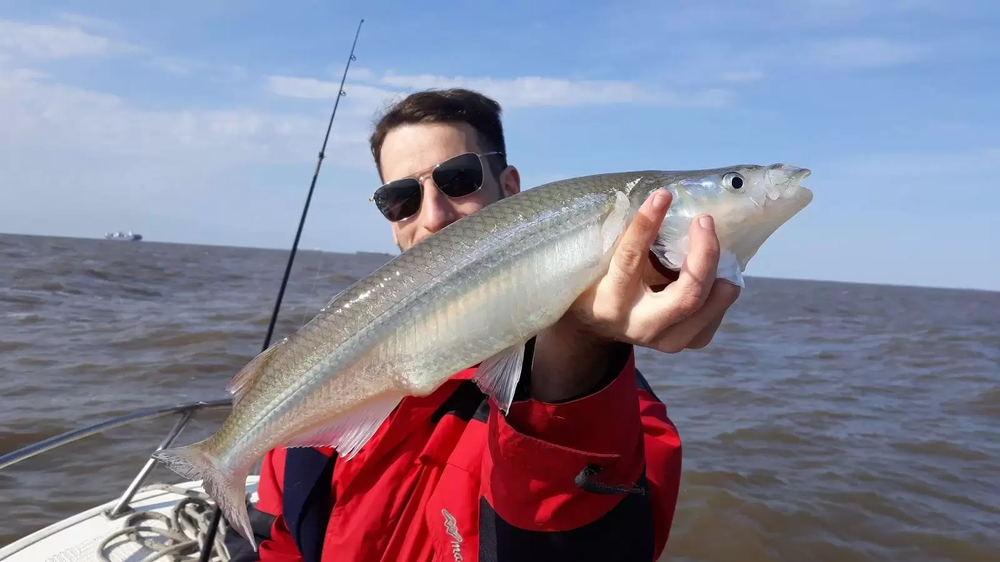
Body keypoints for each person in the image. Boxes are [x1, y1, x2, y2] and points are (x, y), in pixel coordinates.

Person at [226, 88, 739, 562]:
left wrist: (578, 351)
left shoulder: (617, 414)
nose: (432, 215)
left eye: (458, 179)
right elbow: (282, 538)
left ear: (510, 187)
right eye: (400, 198)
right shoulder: (321, 379)